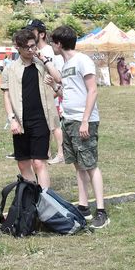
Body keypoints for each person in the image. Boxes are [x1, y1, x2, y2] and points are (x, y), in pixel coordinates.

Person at [50, 25, 109, 229]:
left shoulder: (82, 60)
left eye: (53, 42)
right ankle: (83, 205)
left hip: (84, 121)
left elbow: (92, 91)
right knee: (77, 164)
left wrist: (85, 120)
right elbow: (70, 93)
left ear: (59, 43)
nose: (52, 46)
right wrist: (56, 88)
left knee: (90, 164)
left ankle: (101, 211)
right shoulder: (65, 65)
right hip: (68, 119)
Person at [2, 29, 61, 188]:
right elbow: (6, 96)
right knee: (23, 163)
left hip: (41, 119)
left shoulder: (42, 64)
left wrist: (44, 59)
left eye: (33, 46)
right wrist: (12, 119)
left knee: (39, 163)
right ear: (18, 48)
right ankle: (33, 196)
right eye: (26, 47)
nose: (30, 50)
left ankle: (45, 199)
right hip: (20, 120)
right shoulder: (10, 69)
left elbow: (58, 78)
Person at [28, 19, 66, 165]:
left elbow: (58, 74)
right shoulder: (36, 51)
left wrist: (54, 93)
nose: (30, 33)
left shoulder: (50, 51)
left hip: (54, 95)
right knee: (46, 126)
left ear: (42, 34)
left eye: (33, 31)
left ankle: (61, 154)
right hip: (43, 95)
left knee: (55, 125)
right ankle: (47, 152)